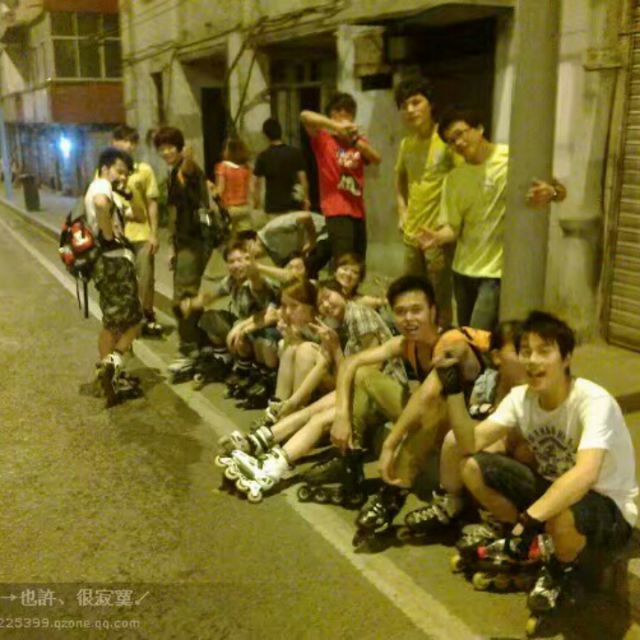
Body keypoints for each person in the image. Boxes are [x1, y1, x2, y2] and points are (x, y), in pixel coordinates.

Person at [440, 311, 637, 611]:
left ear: (566, 358)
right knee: (472, 466)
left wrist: (530, 520)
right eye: (526, 351)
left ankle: (559, 569)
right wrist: (453, 392)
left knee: (561, 512)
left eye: (544, 351)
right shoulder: (521, 397)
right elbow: (469, 443)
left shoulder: (594, 402)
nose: (533, 360)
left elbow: (585, 474)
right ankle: (528, 545)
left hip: (608, 509)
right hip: (553, 493)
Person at [329, 276, 489, 542]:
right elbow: (350, 364)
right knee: (364, 374)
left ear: (433, 311)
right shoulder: (407, 345)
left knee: (431, 407)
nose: (408, 319)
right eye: (401, 312)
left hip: (472, 429)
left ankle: (394, 492)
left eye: (416, 310)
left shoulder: (451, 342)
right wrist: (341, 415)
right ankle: (351, 458)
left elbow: (427, 395)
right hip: (440, 424)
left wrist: (390, 444)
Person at [217, 278, 407, 502]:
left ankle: (273, 468)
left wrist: (335, 349)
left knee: (320, 419)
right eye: (321, 302)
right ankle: (257, 442)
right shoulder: (338, 323)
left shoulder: (359, 314)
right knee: (311, 411)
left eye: (328, 296)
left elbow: (369, 373)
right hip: (360, 389)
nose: (326, 305)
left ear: (342, 293)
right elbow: (343, 371)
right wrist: (333, 349)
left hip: (380, 393)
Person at [420, 107, 566, 330]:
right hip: (462, 271)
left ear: (479, 128)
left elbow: (560, 191)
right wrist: (438, 237)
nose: (458, 143)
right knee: (467, 336)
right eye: (451, 141)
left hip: (494, 273)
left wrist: (552, 193)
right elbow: (454, 228)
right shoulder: (455, 179)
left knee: (477, 334)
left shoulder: (514, 159)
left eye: (460, 133)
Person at [403, 320, 527, 534]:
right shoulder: (488, 384)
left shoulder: (533, 392)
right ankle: (450, 503)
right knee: (455, 439)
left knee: (480, 456)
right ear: (496, 357)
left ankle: (504, 523)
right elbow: (469, 423)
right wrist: (452, 386)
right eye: (520, 351)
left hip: (521, 466)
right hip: (487, 448)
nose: (529, 359)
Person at [394, 77, 458, 326]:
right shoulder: (406, 144)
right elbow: (399, 179)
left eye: (416, 102)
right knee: (412, 297)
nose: (410, 110)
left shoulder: (446, 141)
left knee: (439, 301)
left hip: (438, 238)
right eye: (404, 106)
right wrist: (402, 211)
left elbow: (463, 181)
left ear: (430, 104)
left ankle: (443, 342)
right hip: (412, 236)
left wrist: (452, 224)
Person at [175, 240, 281, 389]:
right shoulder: (231, 280)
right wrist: (190, 304)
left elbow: (261, 297)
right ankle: (223, 359)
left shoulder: (256, 282)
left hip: (262, 329)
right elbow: (211, 296)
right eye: (231, 261)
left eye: (240, 260)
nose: (236, 265)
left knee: (242, 336)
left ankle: (244, 370)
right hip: (243, 324)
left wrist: (253, 270)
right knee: (209, 318)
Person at [85, 147, 142, 407]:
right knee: (134, 321)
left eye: (126, 173)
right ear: (105, 168)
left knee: (113, 322)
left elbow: (138, 215)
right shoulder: (101, 186)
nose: (122, 177)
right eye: (119, 171)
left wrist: (129, 192)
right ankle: (112, 363)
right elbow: (100, 204)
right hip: (114, 262)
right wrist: (109, 237)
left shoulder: (110, 192)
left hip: (109, 264)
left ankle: (107, 374)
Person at [154, 126, 211, 376]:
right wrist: (172, 247)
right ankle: (200, 345)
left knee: (183, 297)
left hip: (194, 242)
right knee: (188, 295)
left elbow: (189, 168)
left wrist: (189, 156)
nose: (166, 152)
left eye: (170, 147)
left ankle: (189, 350)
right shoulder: (172, 173)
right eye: (162, 148)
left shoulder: (187, 169)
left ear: (179, 147)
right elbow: (174, 214)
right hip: (184, 242)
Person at [301, 93, 381, 261]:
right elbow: (305, 116)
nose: (343, 114)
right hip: (336, 209)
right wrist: (336, 127)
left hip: (358, 210)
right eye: (338, 110)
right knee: (344, 260)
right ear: (330, 113)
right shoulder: (323, 138)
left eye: (348, 111)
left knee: (358, 262)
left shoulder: (358, 141)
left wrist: (353, 140)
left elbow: (376, 158)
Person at [111, 124, 163, 338]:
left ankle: (147, 315)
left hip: (141, 234)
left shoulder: (144, 170)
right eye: (124, 141)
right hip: (117, 237)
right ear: (114, 143)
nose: (128, 146)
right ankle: (128, 319)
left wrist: (154, 233)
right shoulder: (105, 171)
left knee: (146, 279)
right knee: (122, 280)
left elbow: (152, 203)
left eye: (132, 142)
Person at [241, 209, 331, 279]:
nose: (252, 256)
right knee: (295, 276)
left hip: (323, 231)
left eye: (246, 252)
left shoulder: (271, 230)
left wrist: (312, 242)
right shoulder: (273, 253)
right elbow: (286, 274)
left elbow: (306, 217)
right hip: (311, 247)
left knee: (303, 269)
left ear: (250, 242)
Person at [254, 117, 310, 214]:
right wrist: (306, 199)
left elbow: (256, 184)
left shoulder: (263, 156)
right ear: (280, 132)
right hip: (294, 205)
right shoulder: (295, 153)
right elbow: (303, 180)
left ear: (266, 135)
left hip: (273, 207)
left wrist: (256, 202)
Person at [215, 136, 254, 233]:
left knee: (230, 237)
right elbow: (251, 189)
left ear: (229, 151)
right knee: (245, 237)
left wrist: (213, 190)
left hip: (229, 209)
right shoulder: (246, 168)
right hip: (244, 207)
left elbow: (220, 190)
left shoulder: (223, 167)